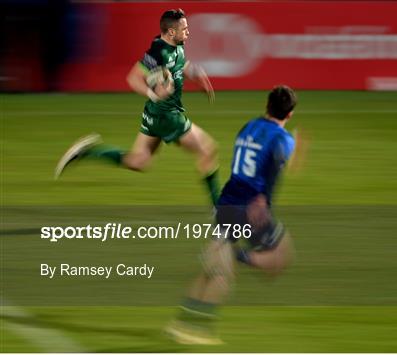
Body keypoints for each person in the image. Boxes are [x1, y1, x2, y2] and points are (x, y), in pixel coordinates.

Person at [166, 85, 303, 345]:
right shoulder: (283, 139)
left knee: (212, 270)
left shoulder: (248, 126)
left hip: (229, 201)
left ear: (267, 105)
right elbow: (274, 167)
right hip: (250, 209)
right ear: (290, 114)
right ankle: (199, 326)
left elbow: (246, 161)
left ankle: (181, 322)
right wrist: (265, 200)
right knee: (276, 259)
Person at [54, 9, 220, 206]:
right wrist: (153, 94)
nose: (188, 32)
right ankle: (222, 214)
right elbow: (133, 78)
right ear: (171, 32)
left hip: (155, 114)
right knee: (208, 151)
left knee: (138, 161)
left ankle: (90, 152)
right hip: (167, 115)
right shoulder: (157, 52)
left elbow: (180, 64)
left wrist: (198, 77)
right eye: (184, 29)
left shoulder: (177, 45)